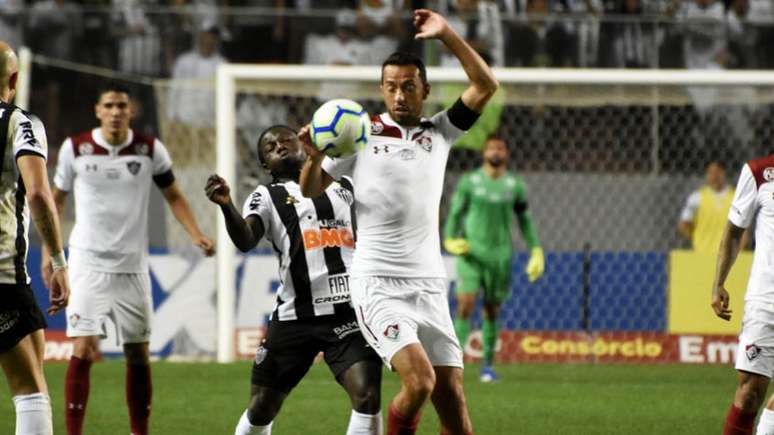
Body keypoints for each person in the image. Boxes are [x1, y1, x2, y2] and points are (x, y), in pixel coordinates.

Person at [300, 9, 498, 435]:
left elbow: (486, 85)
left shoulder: (441, 131)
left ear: (425, 89)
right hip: (377, 283)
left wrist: (446, 34)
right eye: (391, 87)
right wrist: (315, 158)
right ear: (382, 90)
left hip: (428, 284)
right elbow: (311, 190)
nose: (400, 95)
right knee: (420, 381)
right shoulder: (360, 133)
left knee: (457, 416)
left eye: (409, 86)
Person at [47, 84, 214, 435]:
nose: (116, 111)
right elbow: (55, 200)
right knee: (83, 344)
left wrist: (195, 233)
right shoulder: (75, 148)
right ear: (98, 110)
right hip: (87, 262)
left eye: (122, 105)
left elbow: (174, 195)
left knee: (138, 351)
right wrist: (52, 250)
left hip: (132, 266)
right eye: (109, 105)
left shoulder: (149, 149)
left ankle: (140, 431)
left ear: (131, 112)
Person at [205, 125, 383, 435]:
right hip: (294, 317)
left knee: (367, 395)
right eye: (270, 147)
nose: (279, 146)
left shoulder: (344, 184)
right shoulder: (266, 196)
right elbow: (246, 240)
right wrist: (226, 205)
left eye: (285, 140)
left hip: (348, 312)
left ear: (303, 147)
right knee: (262, 407)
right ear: (264, 164)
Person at [0, 40, 70, 435]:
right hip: (2, 276)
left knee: (32, 367)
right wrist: (58, 261)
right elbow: (40, 193)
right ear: (13, 78)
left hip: (9, 279)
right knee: (29, 389)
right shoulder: (20, 122)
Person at [443, 135, 544, 383]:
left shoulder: (514, 185)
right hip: (471, 254)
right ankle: (454, 366)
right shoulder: (469, 182)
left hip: (500, 256)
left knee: (491, 311)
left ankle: (487, 367)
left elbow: (525, 221)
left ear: (506, 153)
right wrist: (448, 238)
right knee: (465, 305)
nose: (495, 152)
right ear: (484, 153)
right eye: (491, 148)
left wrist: (536, 249)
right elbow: (455, 213)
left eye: (500, 147)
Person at [712, 156, 774, 435]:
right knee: (750, 390)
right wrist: (718, 283)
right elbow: (734, 232)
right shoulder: (759, 172)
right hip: (766, 298)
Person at [678, 160, 742, 254]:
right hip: (702, 254)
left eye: (718, 172)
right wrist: (699, 238)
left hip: (728, 256)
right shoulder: (696, 197)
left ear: (724, 173)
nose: (714, 176)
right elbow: (684, 225)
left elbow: (745, 230)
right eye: (711, 173)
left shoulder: (736, 197)